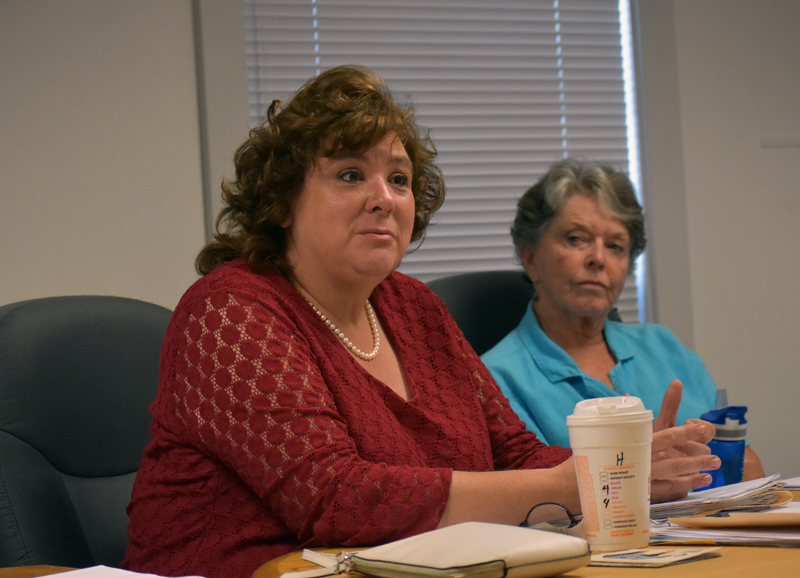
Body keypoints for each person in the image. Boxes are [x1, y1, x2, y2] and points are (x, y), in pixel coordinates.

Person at [122, 67, 719, 578]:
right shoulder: (230, 310)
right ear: (281, 200)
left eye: (400, 179)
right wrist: (576, 483)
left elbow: (513, 453)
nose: (384, 197)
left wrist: (624, 470)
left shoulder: (412, 306)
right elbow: (337, 500)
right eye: (351, 174)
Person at [482, 159, 764, 480]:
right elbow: (527, 503)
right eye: (575, 238)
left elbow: (751, 470)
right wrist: (646, 470)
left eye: (615, 246)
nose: (598, 258)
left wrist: (687, 467)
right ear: (529, 257)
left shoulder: (662, 345)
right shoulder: (493, 380)